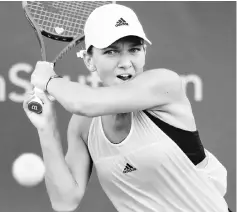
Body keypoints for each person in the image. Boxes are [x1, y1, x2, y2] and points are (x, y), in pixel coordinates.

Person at [23, 3, 230, 212]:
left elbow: (83, 102)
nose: (126, 62)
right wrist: (46, 128)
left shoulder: (164, 84)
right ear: (89, 60)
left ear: (144, 53)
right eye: (111, 52)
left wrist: (49, 80)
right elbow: (65, 201)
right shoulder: (83, 126)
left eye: (134, 49)